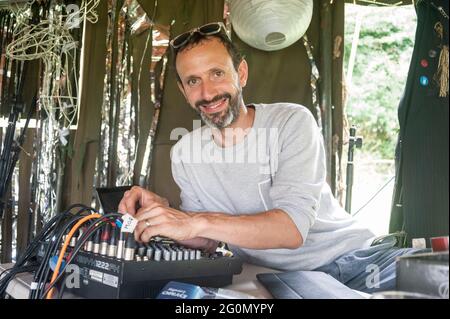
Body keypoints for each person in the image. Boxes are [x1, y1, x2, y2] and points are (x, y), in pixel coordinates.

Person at [118, 22, 420, 293]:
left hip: (356, 260)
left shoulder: (291, 122)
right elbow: (206, 239)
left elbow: (291, 229)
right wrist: (165, 215)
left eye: (217, 73)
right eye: (193, 81)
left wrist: (193, 222)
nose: (208, 92)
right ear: (184, 91)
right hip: (283, 278)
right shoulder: (184, 152)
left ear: (242, 74)